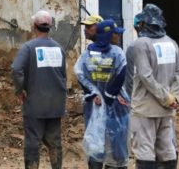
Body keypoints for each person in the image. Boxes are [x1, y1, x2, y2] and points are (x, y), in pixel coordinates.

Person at [128, 4, 179, 169]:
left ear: (144, 24)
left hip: (145, 109)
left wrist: (165, 97)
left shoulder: (141, 44)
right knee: (167, 150)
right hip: (167, 109)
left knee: (144, 151)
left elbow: (146, 76)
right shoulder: (172, 43)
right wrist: (173, 97)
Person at [11, 11, 67, 169]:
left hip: (35, 103)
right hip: (56, 104)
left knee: (32, 143)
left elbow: (16, 70)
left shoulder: (28, 47)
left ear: (34, 27)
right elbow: (63, 75)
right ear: (50, 27)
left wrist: (20, 89)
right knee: (54, 142)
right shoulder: (59, 48)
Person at [74, 19, 128, 169]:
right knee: (116, 143)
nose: (118, 36)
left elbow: (79, 73)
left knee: (96, 141)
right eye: (116, 34)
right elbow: (121, 75)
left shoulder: (87, 53)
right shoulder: (117, 53)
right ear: (109, 36)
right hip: (116, 106)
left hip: (94, 107)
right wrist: (109, 97)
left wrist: (93, 94)